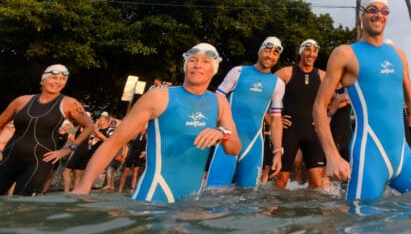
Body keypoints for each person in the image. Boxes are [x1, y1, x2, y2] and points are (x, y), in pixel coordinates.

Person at [312, 0, 411, 202]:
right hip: (370, 157)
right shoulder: (345, 54)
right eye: (372, 10)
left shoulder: (398, 55)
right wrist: (332, 155)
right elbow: (319, 107)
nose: (378, 15)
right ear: (362, 15)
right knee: (362, 223)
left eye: (384, 11)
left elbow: (410, 101)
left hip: (403, 157)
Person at [74, 43, 242, 203]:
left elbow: (234, 148)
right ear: (186, 66)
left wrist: (222, 134)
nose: (198, 65)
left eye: (205, 62)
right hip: (154, 194)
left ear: (214, 69)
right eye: (192, 60)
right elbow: (114, 142)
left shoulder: (220, 102)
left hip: (192, 200)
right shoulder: (159, 97)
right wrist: (83, 188)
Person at [0, 64, 94, 196]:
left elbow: (90, 126)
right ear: (43, 79)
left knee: (21, 203)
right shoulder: (21, 101)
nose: (58, 82)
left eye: (63, 79)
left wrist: (68, 149)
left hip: (38, 162)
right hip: (9, 158)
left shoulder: (69, 103)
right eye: (54, 77)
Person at [208, 37, 285, 188]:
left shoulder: (278, 84)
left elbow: (276, 121)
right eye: (267, 50)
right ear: (260, 51)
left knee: (248, 199)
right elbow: (218, 99)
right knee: (214, 193)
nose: (270, 56)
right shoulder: (238, 71)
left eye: (275, 53)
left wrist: (277, 153)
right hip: (226, 139)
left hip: (254, 144)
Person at [274, 38, 329, 189]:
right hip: (289, 131)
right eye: (307, 50)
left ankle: (312, 213)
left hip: (313, 132)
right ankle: (276, 211)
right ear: (301, 52)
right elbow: (264, 95)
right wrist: (271, 119)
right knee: (281, 181)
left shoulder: (323, 76)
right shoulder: (286, 73)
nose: (311, 54)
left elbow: (332, 103)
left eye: (315, 50)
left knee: (318, 184)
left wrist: (324, 123)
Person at [118, 125, 147, 193]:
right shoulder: (135, 134)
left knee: (135, 171)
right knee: (126, 171)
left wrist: (145, 152)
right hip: (131, 153)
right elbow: (125, 141)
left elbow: (150, 145)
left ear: (145, 128)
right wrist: (124, 151)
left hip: (140, 155)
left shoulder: (147, 136)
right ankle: (120, 189)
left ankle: (132, 189)